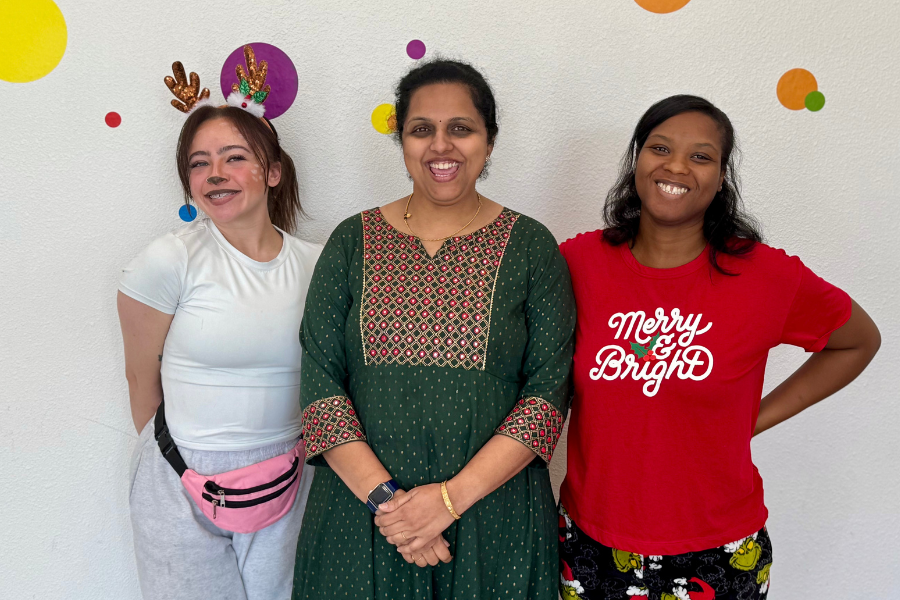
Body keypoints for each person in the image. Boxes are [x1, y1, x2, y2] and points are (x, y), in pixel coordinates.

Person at [557, 95, 881, 600]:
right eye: (660, 148)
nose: (676, 167)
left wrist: (753, 418)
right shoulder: (578, 263)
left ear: (722, 176)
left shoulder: (766, 276)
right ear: (637, 159)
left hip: (719, 549)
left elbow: (858, 341)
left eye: (701, 156)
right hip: (592, 541)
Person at [292, 59, 575, 600]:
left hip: (493, 518)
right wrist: (393, 509)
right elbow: (320, 384)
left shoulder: (531, 246)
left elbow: (547, 395)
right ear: (401, 140)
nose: (440, 146)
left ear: (489, 141)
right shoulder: (351, 241)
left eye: (460, 128)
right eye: (421, 129)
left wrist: (446, 501)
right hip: (363, 519)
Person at [118, 90, 321, 599]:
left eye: (234, 158)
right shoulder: (168, 261)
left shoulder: (318, 265)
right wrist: (192, 466)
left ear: (273, 172)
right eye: (199, 163)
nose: (214, 175)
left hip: (290, 477)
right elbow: (141, 380)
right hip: (180, 479)